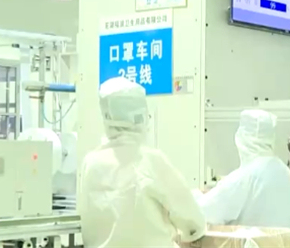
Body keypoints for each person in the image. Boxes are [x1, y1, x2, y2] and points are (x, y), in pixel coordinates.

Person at [79, 77, 206, 247]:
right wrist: (192, 232)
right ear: (141, 116)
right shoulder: (151, 161)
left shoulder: (90, 163)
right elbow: (192, 221)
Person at [196, 109, 290, 228]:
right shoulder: (284, 172)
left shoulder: (245, 177)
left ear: (242, 138)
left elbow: (202, 211)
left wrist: (194, 194)